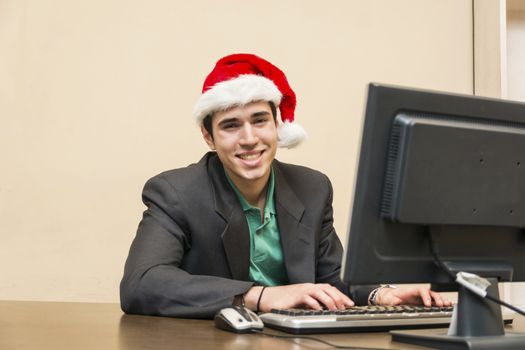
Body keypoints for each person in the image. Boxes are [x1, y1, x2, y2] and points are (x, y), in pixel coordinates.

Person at [120, 53, 450, 318]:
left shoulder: (312, 188)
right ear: (208, 136)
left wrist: (382, 294)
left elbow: (331, 280)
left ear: (278, 124)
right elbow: (141, 284)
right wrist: (260, 295)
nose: (249, 139)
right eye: (231, 126)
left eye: (260, 120)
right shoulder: (175, 192)